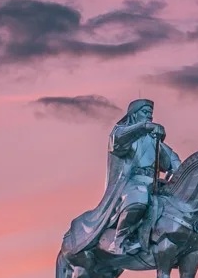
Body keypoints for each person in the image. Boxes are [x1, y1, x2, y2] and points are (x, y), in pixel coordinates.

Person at [61, 99, 181, 258]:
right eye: (145, 113)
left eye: (150, 115)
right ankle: (119, 241)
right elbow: (118, 141)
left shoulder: (154, 140)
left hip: (154, 184)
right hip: (129, 183)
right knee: (138, 197)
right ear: (134, 114)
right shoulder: (121, 132)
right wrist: (143, 127)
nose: (149, 117)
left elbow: (173, 161)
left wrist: (177, 173)